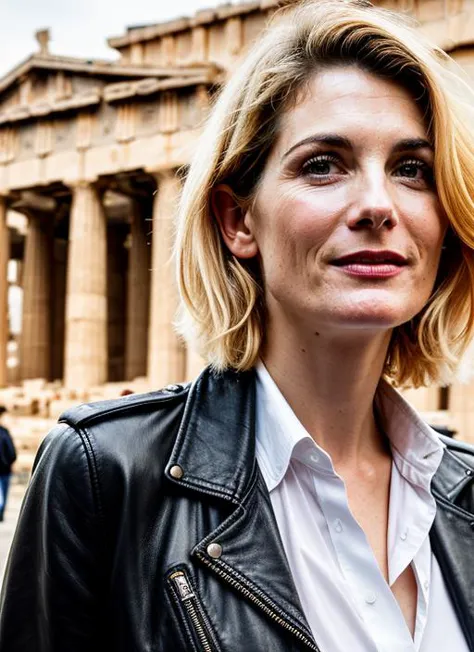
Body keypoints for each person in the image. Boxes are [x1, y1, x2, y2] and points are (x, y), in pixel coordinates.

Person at [1, 1, 474, 649]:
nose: (376, 204)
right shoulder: (103, 477)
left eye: (411, 169)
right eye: (323, 164)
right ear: (237, 221)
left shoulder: (464, 497)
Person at [0, 405, 16, 522]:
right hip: (4, 469)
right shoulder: (4, 432)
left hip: (4, 468)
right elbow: (11, 452)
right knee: (3, 492)